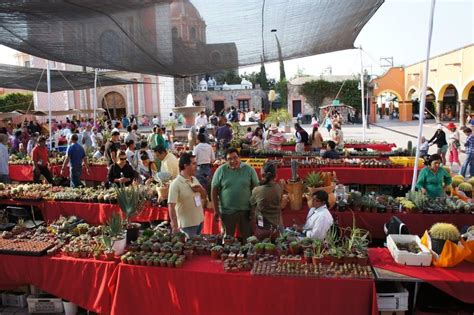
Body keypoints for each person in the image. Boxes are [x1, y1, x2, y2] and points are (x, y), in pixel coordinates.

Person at [211, 148, 259, 240]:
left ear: (239, 157)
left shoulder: (249, 170)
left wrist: (253, 209)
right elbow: (214, 189)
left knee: (248, 239)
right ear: (225, 160)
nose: (233, 161)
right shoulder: (221, 170)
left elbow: (256, 189)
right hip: (227, 212)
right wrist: (216, 210)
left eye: (235, 157)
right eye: (229, 159)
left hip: (246, 211)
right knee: (227, 239)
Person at [168, 153, 207, 237]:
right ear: (185, 166)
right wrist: (175, 226)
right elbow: (171, 206)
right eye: (193, 164)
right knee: (189, 249)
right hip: (187, 226)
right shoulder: (175, 184)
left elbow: (204, 196)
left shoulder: (195, 179)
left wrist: (200, 190)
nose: (196, 166)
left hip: (200, 221)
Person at [250, 162, 285, 238]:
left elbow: (252, 212)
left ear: (262, 175)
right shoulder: (278, 188)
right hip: (276, 228)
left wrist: (254, 230)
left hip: (262, 228)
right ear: (275, 175)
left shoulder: (257, 190)